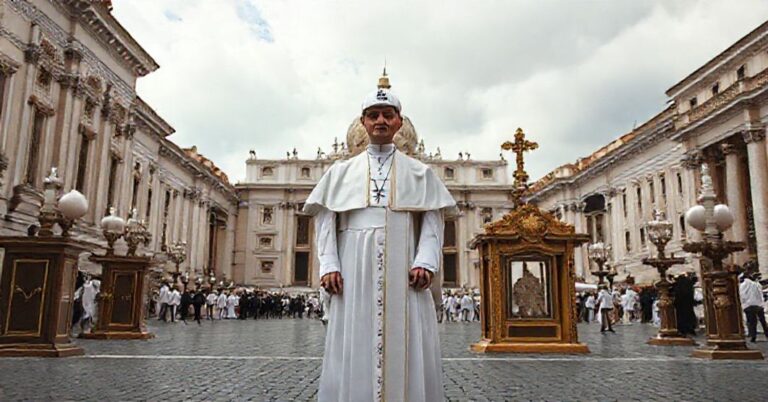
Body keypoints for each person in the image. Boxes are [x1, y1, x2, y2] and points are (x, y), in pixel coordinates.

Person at [304, 84, 455, 401]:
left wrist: (425, 261)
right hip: (352, 268)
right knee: (354, 339)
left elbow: (432, 218)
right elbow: (325, 220)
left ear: (400, 122)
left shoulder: (420, 173)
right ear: (364, 123)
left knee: (408, 339)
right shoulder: (340, 172)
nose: (381, 121)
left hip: (405, 269)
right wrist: (329, 264)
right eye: (373, 116)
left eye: (388, 115)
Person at [739, 273, 768, 343]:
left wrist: (743, 303)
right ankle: (767, 334)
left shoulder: (743, 285)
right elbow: (760, 293)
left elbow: (742, 295)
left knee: (752, 322)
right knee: (763, 321)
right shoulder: (756, 284)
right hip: (758, 305)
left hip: (749, 305)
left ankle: (753, 336)